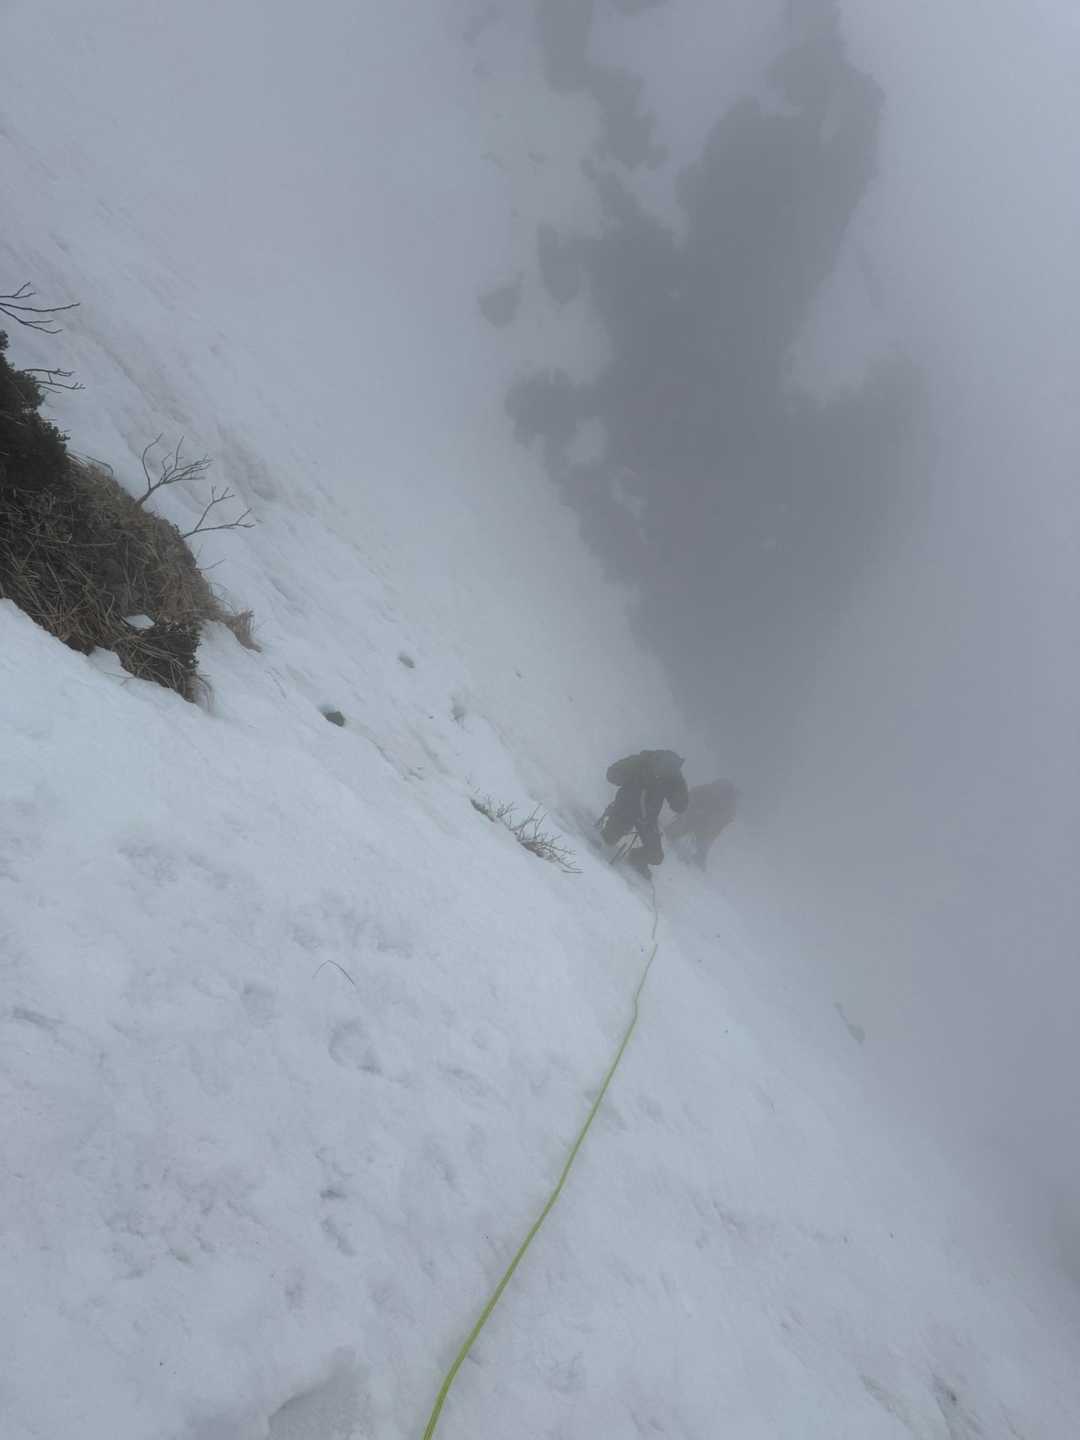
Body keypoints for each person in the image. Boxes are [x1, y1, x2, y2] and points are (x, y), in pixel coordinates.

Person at [601, 749, 689, 875]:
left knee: (655, 856)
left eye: (668, 769)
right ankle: (629, 855)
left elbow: (680, 806)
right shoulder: (642, 762)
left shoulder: (672, 777)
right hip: (627, 811)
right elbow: (612, 774)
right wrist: (625, 778)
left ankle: (634, 859)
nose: (662, 771)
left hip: (645, 819)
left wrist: (679, 797)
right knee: (609, 838)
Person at [666, 779, 737, 869]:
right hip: (697, 817)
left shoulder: (727, 807)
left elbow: (718, 825)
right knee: (696, 835)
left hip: (703, 822)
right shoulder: (709, 791)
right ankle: (699, 856)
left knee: (701, 837)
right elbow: (691, 796)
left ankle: (699, 857)